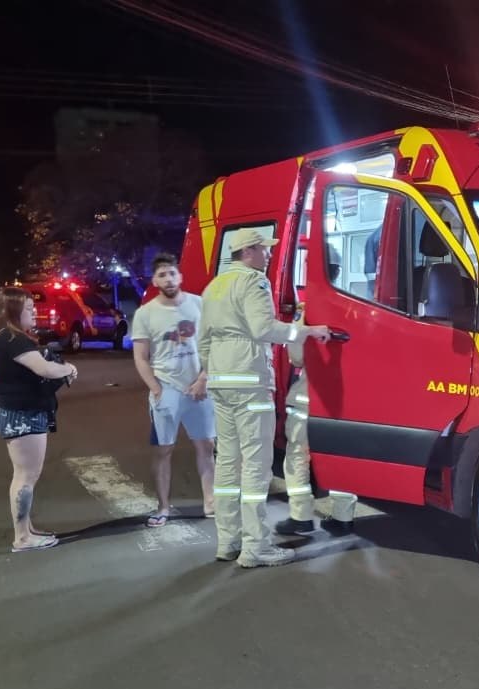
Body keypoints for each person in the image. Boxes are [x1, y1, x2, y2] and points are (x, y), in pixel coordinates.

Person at [198, 227, 332, 568]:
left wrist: (212, 371)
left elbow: (203, 341)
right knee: (255, 468)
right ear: (248, 252)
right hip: (250, 383)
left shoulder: (214, 286)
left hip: (222, 382)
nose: (269, 255)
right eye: (264, 249)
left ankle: (227, 541)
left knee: (227, 464)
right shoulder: (254, 283)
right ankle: (256, 547)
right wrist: (305, 332)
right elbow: (263, 329)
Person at [0, 287, 78, 552]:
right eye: (28, 309)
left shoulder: (5, 338)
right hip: (21, 415)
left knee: (25, 475)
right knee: (25, 476)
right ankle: (22, 538)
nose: (34, 312)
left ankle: (25, 529)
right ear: (13, 312)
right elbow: (45, 369)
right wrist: (69, 369)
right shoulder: (13, 339)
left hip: (16, 413)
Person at [132, 253, 215, 527]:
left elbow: (213, 344)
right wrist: (156, 390)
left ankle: (211, 504)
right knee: (163, 450)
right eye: (162, 275)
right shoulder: (145, 314)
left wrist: (204, 377)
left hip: (200, 389)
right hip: (167, 389)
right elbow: (141, 357)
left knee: (206, 446)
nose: (168, 279)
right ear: (155, 280)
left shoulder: (199, 304)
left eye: (172, 273)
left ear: (180, 276)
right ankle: (163, 507)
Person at [274, 302, 357, 538]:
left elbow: (297, 357)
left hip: (308, 398)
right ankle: (344, 517)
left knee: (298, 457)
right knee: (341, 458)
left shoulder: (308, 309)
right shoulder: (358, 310)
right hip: (345, 402)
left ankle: (301, 517)